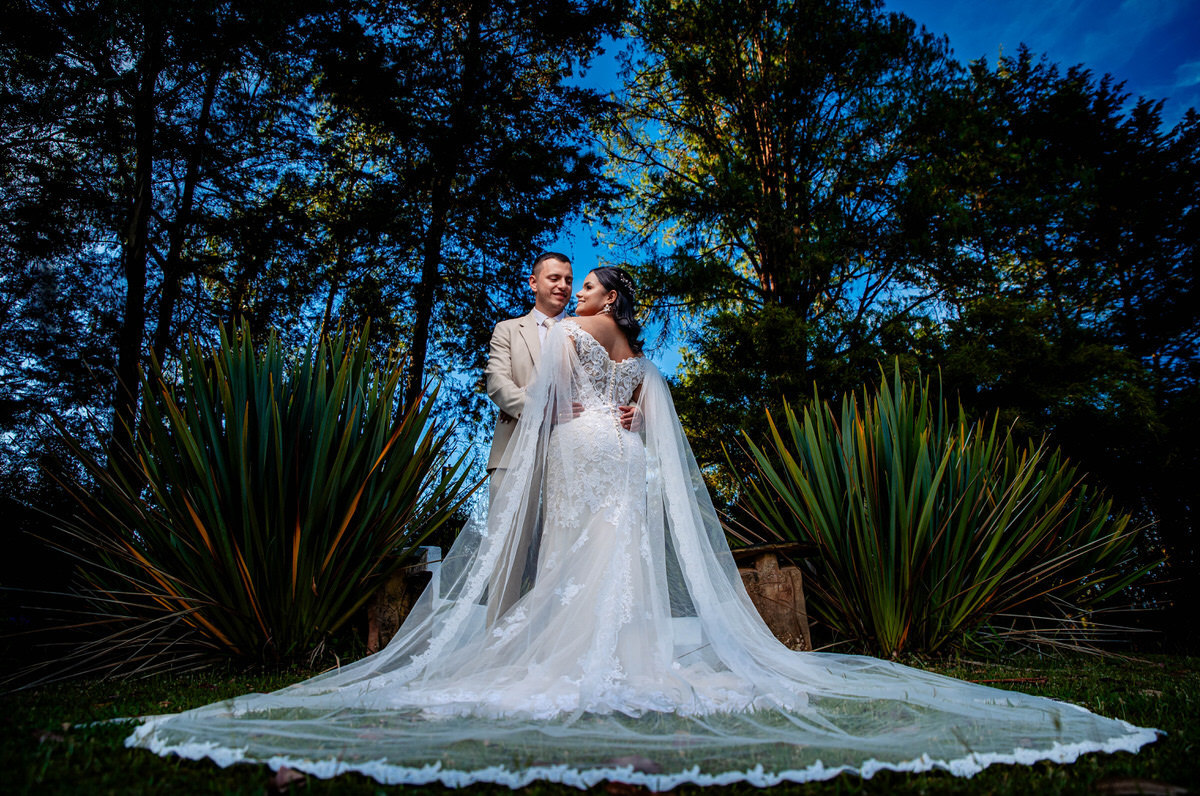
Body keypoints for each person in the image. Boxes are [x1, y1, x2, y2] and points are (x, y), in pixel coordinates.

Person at [127, 267, 1156, 790]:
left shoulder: (570, 334)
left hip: (577, 448)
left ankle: (561, 657)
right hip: (620, 455)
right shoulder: (644, 356)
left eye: (590, 285)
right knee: (617, 560)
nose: (579, 295)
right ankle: (627, 658)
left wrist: (576, 415)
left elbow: (547, 403)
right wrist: (617, 415)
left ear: (603, 296)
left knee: (578, 557)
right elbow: (648, 415)